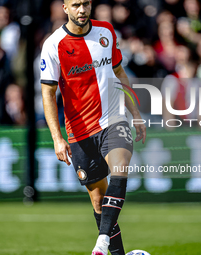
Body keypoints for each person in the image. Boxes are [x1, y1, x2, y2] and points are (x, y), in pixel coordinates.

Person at [40, 1, 146, 255]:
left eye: (86, 3)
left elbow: (120, 73)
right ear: (65, 8)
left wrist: (136, 113)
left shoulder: (106, 32)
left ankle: (101, 242)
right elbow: (48, 93)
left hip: (113, 118)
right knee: (99, 201)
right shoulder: (53, 45)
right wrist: (57, 137)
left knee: (119, 171)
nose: (82, 9)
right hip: (79, 132)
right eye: (76, 4)